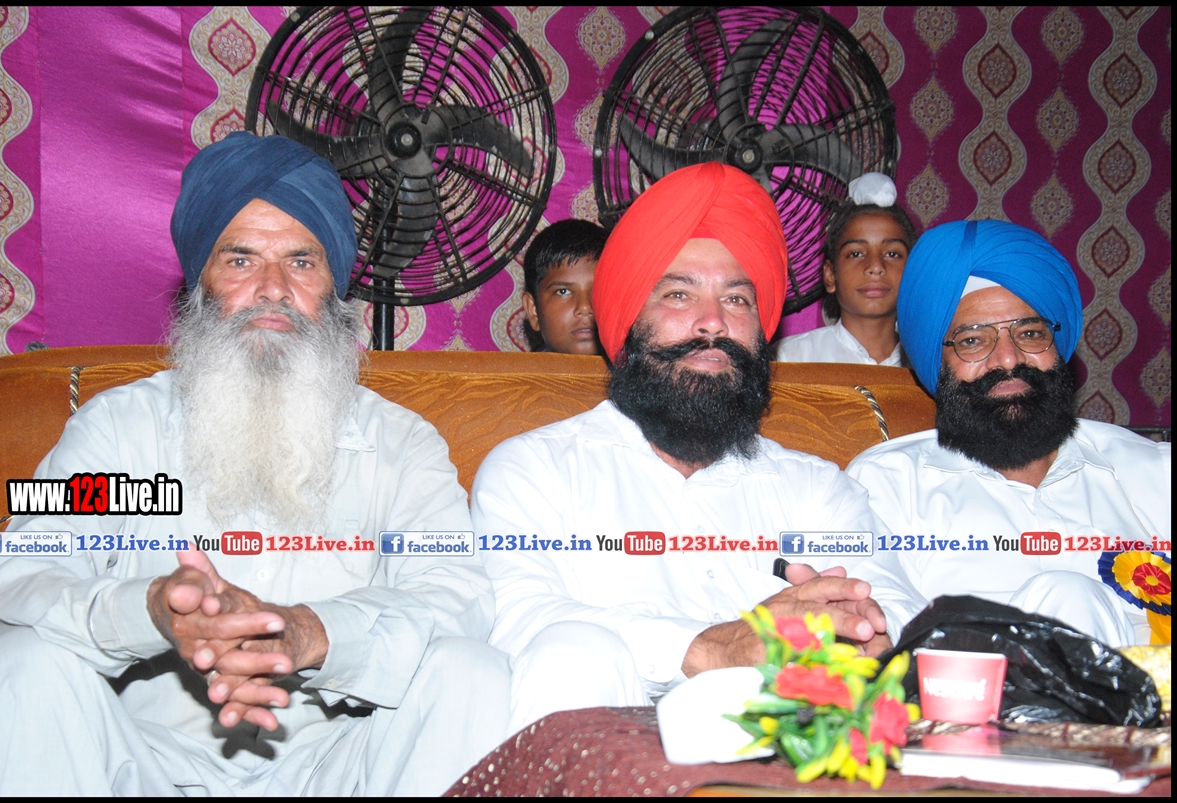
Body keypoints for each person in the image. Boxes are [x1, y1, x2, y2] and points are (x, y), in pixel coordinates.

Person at [0, 132, 509, 796]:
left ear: (334, 287)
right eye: (240, 260)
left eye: (301, 262)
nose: (273, 290)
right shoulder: (116, 429)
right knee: (20, 665)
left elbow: (457, 597)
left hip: (339, 770)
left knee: (471, 671)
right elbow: (16, 580)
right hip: (142, 766)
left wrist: (310, 632)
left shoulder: (402, 444)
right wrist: (150, 611)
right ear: (200, 282)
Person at [472, 162, 923, 734]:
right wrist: (711, 647)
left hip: (786, 746)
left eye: (737, 299)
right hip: (608, 745)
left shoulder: (815, 488)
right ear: (627, 318)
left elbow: (897, 600)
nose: (712, 323)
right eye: (679, 294)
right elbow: (520, 615)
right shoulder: (534, 470)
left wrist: (869, 629)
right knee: (571, 651)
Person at [846, 219, 1170, 647]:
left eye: (1029, 333)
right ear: (936, 360)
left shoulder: (1155, 472)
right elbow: (879, 636)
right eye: (973, 340)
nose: (1008, 359)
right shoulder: (885, 485)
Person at [776, 173, 914, 366]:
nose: (876, 267)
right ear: (830, 275)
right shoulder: (791, 360)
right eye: (856, 254)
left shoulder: (930, 366)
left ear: (913, 272)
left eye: (892, 254)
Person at [520, 218, 607, 355]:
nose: (585, 307)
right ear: (533, 310)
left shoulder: (645, 368)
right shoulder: (504, 370)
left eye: (599, 290)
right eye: (563, 291)